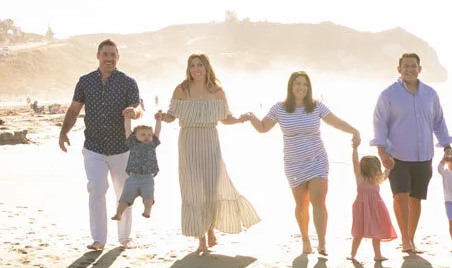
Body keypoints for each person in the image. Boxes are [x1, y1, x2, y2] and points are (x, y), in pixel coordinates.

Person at [242, 70, 360, 256]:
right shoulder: (279, 108)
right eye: (298, 84)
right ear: (291, 86)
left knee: (318, 202)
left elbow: (334, 121)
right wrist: (252, 118)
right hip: (294, 163)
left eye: (305, 84)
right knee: (301, 204)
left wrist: (354, 130)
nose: (302, 88)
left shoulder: (316, 106)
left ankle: (321, 242)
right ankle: (305, 239)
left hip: (317, 160)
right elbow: (263, 128)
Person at [162, 53, 259, 252]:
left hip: (210, 140)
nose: (196, 69)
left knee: (211, 188)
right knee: (193, 189)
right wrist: (162, 117)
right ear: (188, 69)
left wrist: (242, 119)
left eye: (200, 65)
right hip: (188, 141)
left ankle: (211, 228)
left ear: (207, 68)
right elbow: (172, 116)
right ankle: (201, 238)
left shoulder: (217, 91)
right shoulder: (182, 89)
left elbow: (225, 118)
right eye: (192, 66)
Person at [59, 38, 142, 250]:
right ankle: (98, 239)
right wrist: (63, 132)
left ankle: (125, 238)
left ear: (118, 58)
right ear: (98, 56)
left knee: (123, 192)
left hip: (121, 148)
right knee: (96, 189)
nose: (109, 59)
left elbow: (138, 107)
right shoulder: (85, 81)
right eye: (105, 54)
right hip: (94, 147)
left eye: (113, 55)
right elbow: (74, 109)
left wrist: (134, 111)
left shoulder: (127, 82)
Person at [371, 52, 452, 254]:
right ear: (399, 69)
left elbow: (439, 122)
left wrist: (447, 146)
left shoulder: (430, 94)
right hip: (397, 155)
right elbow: (379, 124)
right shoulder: (388, 95)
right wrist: (382, 152)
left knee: (416, 198)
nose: (410, 69)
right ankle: (405, 239)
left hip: (424, 155)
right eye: (406, 66)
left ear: (420, 69)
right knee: (400, 196)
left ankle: (411, 236)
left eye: (413, 66)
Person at [111, 110, 164, 222]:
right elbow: (127, 129)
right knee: (125, 198)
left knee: (149, 197)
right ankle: (119, 213)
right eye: (143, 134)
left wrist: (158, 121)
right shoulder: (133, 143)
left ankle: (147, 210)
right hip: (133, 177)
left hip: (147, 177)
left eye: (149, 135)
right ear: (135, 136)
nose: (147, 137)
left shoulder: (152, 143)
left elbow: (158, 131)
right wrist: (127, 118)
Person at [350, 140, 397, 262]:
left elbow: (387, 171)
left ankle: (377, 255)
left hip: (376, 208)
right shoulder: (360, 178)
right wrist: (355, 149)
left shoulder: (377, 179)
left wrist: (389, 163)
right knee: (358, 231)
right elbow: (355, 164)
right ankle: (352, 254)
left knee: (376, 231)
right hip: (362, 208)